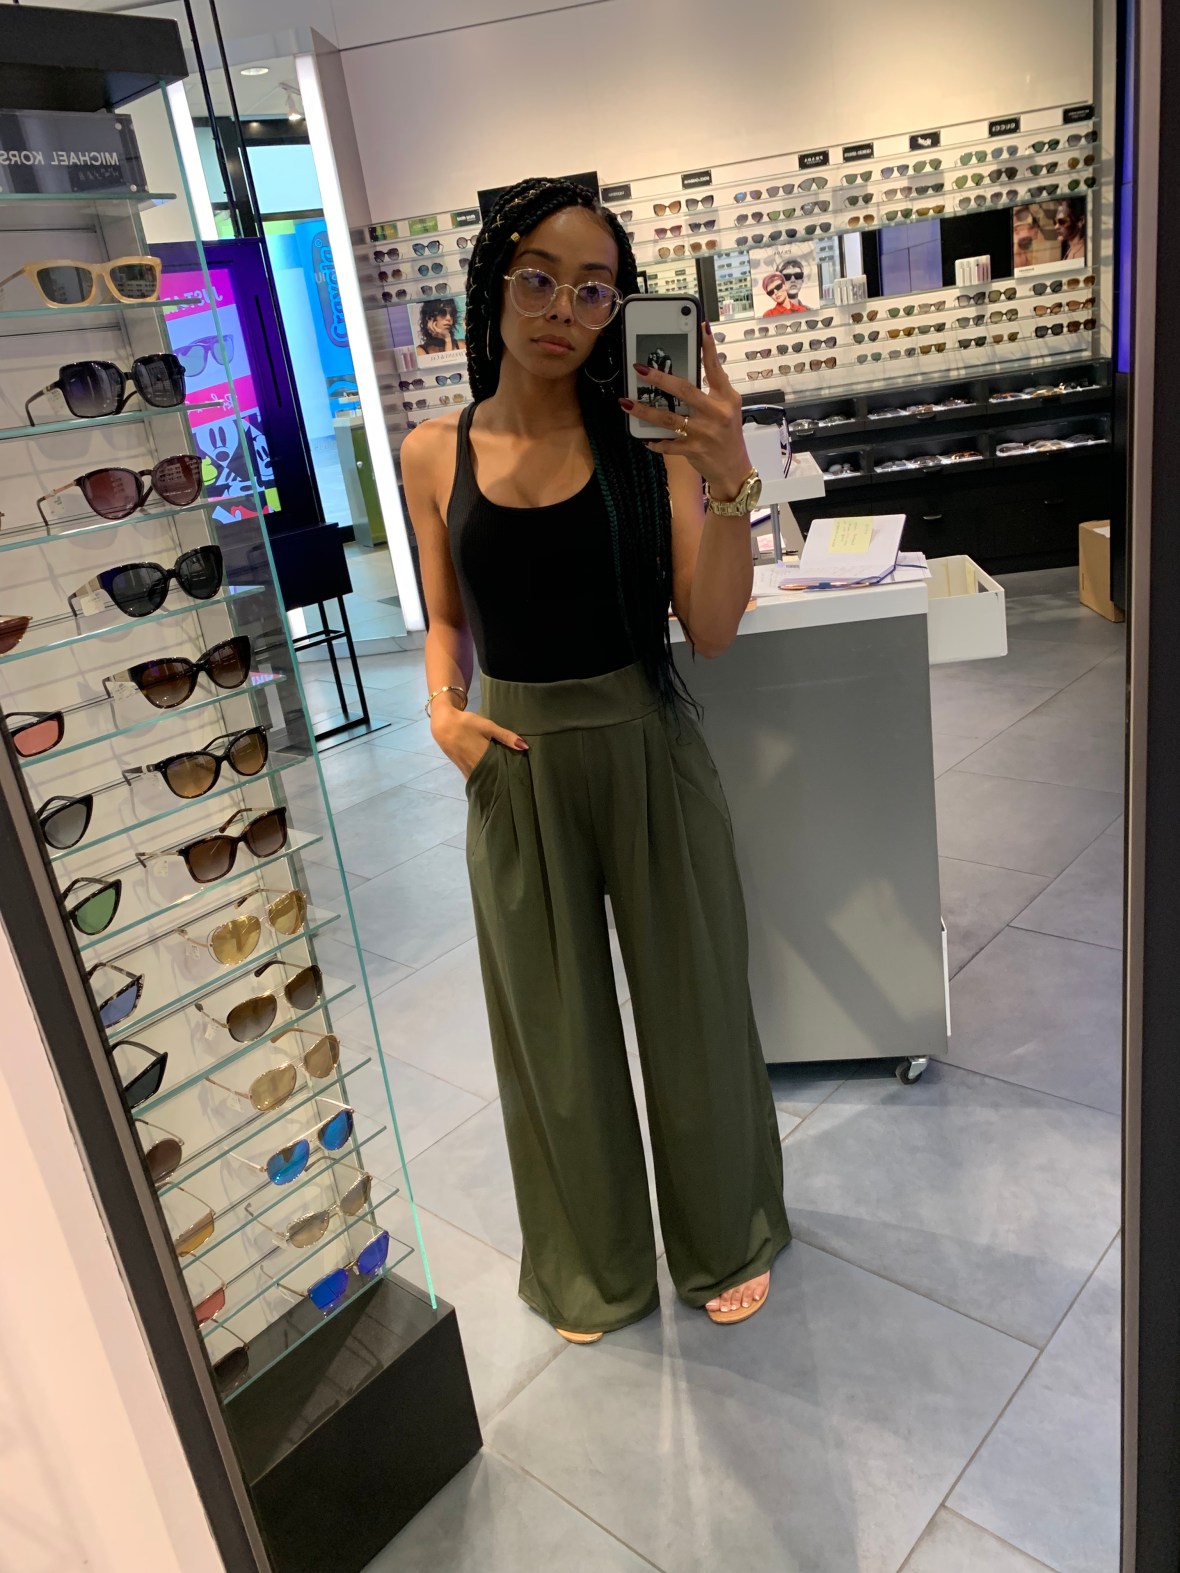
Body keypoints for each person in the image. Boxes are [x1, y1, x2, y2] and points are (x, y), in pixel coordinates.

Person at [400, 177, 791, 1343]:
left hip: (647, 744)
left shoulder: (646, 444)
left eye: (592, 289)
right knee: (552, 1037)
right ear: (494, 283)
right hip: (514, 764)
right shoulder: (433, 451)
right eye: (538, 278)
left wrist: (730, 476)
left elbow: (709, 629)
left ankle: (724, 1234)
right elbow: (445, 618)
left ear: (619, 308)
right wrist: (441, 710)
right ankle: (590, 1266)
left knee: (695, 1006)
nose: (561, 309)